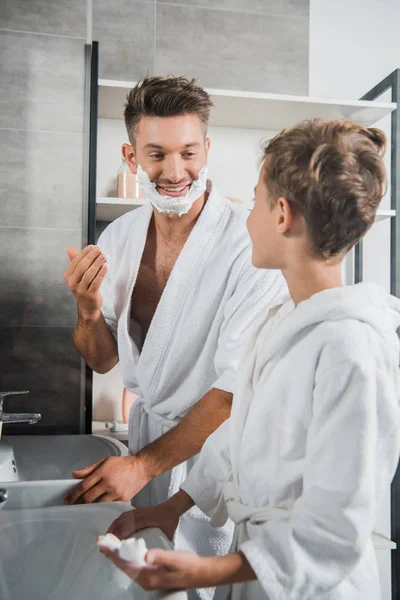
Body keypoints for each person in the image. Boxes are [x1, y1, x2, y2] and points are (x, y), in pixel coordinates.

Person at [101, 118, 400, 600]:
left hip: (314, 587)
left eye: (255, 200)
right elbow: (234, 441)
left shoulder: (352, 351)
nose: (244, 218)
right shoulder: (281, 322)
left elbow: (336, 530)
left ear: (281, 215)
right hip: (257, 566)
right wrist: (172, 507)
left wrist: (205, 572)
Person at [63, 76, 285, 596]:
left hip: (212, 453)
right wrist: (89, 312)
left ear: (206, 149)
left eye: (188, 152)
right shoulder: (118, 237)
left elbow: (234, 391)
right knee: (142, 585)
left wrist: (142, 465)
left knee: (197, 585)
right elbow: (100, 361)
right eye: (156, 154)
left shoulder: (245, 244)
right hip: (146, 443)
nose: (174, 171)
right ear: (131, 154)